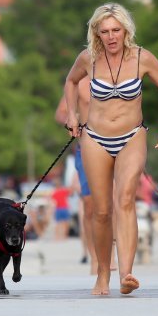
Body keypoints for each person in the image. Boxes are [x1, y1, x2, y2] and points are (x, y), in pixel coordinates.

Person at [63, 2, 158, 296]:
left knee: (125, 199)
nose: (111, 36)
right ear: (96, 33)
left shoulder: (143, 58)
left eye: (116, 30)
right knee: (101, 211)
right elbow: (70, 81)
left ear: (126, 30)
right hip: (95, 138)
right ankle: (103, 273)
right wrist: (72, 113)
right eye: (105, 31)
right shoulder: (88, 58)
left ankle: (126, 273)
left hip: (132, 135)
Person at [55, 78, 99, 271]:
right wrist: (72, 118)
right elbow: (61, 113)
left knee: (116, 201)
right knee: (89, 206)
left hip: (117, 147)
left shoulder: (120, 74)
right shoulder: (79, 81)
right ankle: (94, 257)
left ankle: (112, 254)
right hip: (87, 147)